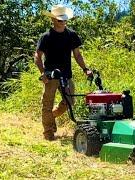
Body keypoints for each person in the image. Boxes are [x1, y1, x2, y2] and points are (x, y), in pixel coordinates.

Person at [34, 4, 91, 141]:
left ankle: (52, 115)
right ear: (53, 20)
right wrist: (43, 73)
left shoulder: (72, 35)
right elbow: (37, 56)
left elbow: (77, 55)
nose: (63, 22)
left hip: (66, 75)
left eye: (64, 19)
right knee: (47, 104)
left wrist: (85, 69)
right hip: (50, 76)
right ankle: (48, 133)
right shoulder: (46, 37)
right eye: (60, 20)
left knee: (69, 101)